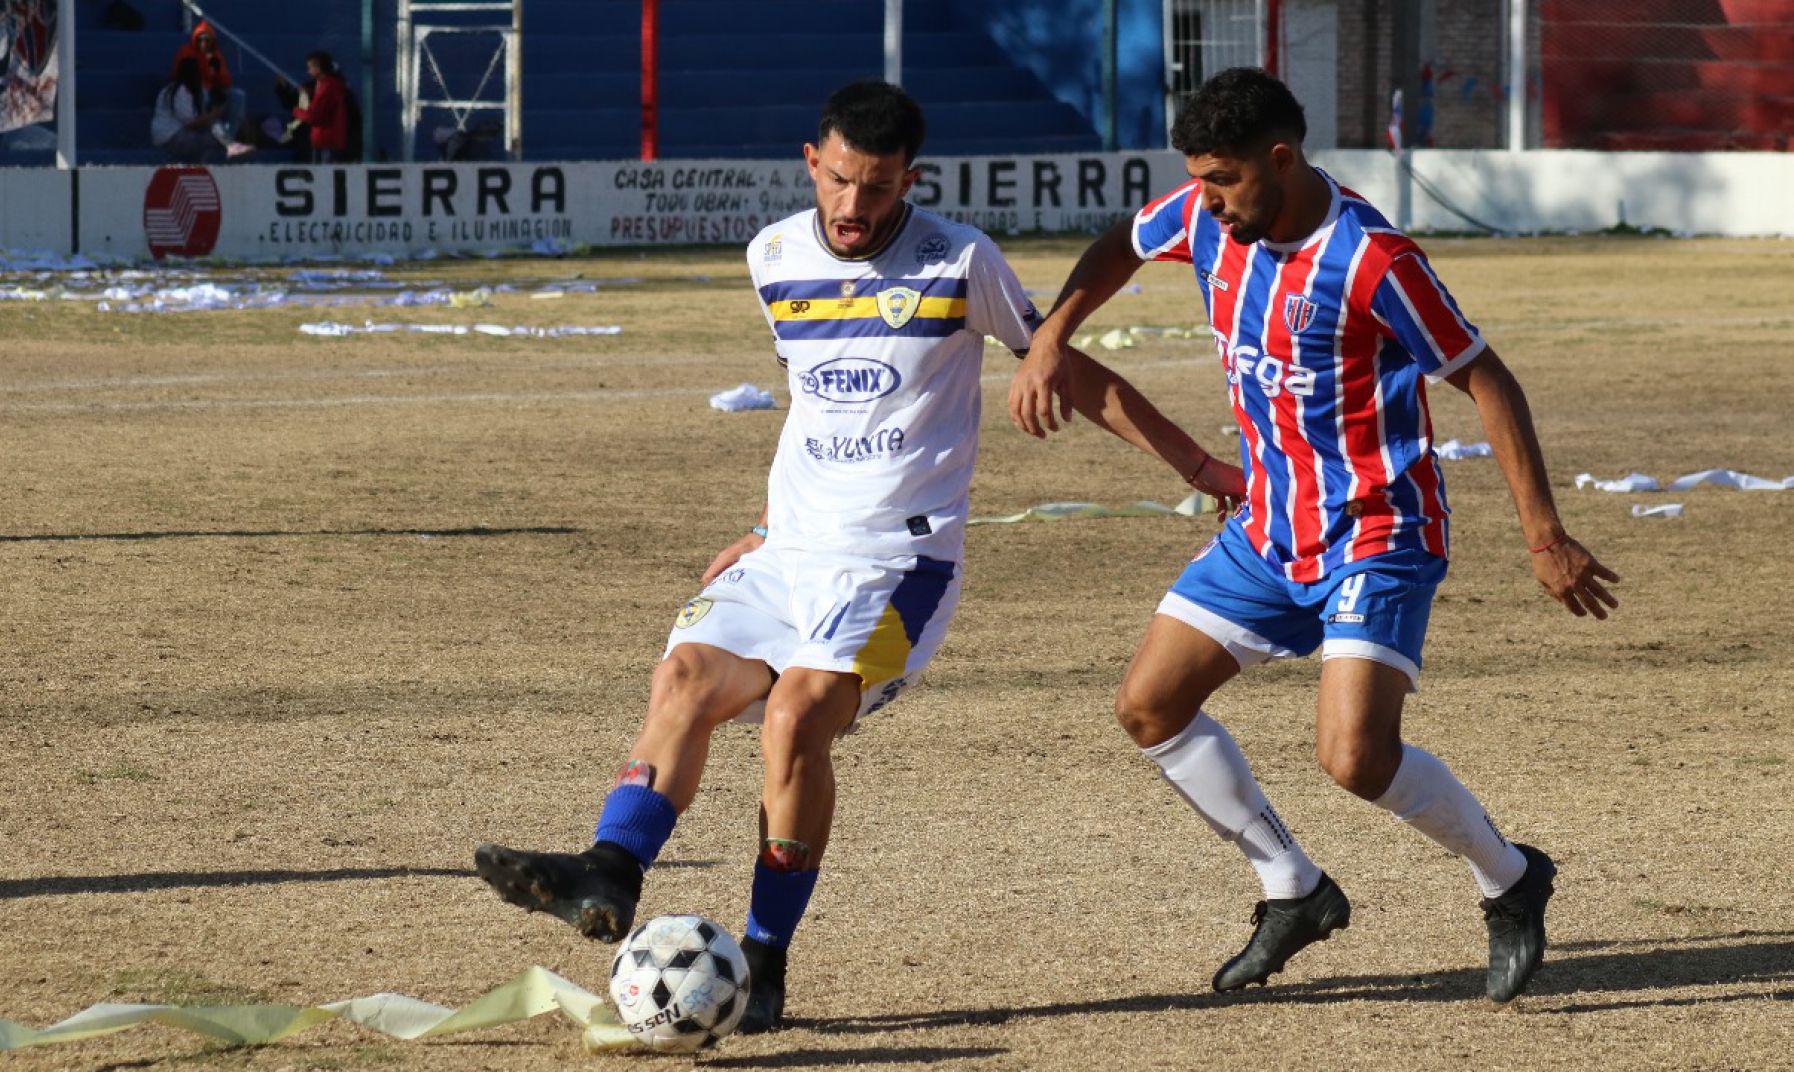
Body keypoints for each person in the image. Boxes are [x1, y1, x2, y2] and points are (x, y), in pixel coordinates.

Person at [474, 80, 1234, 1033]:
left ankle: (765, 961)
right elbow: (819, 403)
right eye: (838, 181)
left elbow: (1070, 369)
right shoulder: (773, 257)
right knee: (682, 679)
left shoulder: (962, 260)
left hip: (898, 570)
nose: (852, 207)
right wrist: (767, 522)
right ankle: (608, 873)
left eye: (876, 189)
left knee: (794, 719)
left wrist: (1202, 465)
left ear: (908, 180)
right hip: (789, 551)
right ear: (811, 163)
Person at [1009, 67, 1621, 1003]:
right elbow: (1117, 247)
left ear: (1281, 159)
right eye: (1199, 181)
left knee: (1354, 759)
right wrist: (1054, 331)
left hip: (1379, 529)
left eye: (1221, 180)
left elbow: (1488, 381)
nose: (1205, 203)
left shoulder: (1374, 259)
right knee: (1148, 706)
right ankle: (1292, 888)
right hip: (1267, 525)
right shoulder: (1204, 215)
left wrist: (1545, 536)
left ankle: (1509, 876)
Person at [169, 20, 251, 157]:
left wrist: (216, 69)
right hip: (192, 90)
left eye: (207, 40)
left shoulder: (215, 55)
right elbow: (178, 75)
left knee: (238, 96)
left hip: (212, 89)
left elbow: (226, 82)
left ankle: (228, 138)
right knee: (209, 104)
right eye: (200, 40)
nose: (203, 43)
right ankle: (227, 143)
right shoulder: (186, 52)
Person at [151, 57, 225, 163]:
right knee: (212, 139)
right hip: (170, 137)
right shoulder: (179, 92)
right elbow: (190, 124)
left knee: (218, 134)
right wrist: (214, 114)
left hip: (182, 134)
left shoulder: (194, 91)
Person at [285, 51, 349, 164]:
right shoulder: (328, 86)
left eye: (310, 67)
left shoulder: (328, 87)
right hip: (327, 141)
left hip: (327, 142)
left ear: (318, 67)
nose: (308, 71)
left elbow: (315, 117)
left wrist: (296, 111)